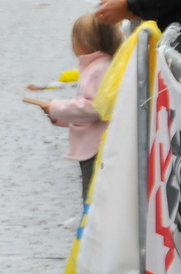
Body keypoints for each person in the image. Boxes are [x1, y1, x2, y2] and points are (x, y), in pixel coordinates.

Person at [26, 14, 121, 205]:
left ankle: (89, 231)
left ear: (84, 42)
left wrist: (56, 108)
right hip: (91, 144)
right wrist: (58, 116)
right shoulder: (95, 67)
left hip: (95, 147)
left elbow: (94, 108)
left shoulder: (98, 69)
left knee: (92, 197)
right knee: (90, 194)